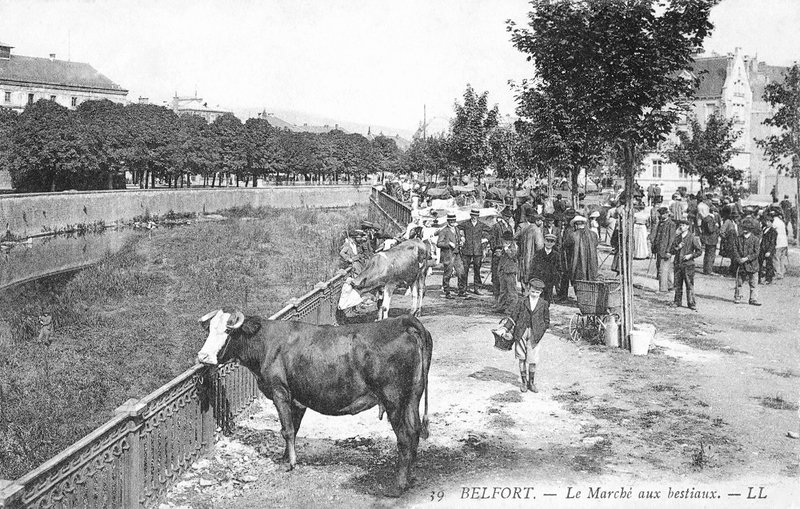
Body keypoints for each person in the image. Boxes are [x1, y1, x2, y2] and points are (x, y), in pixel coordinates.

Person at [510, 278, 550, 393]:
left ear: (541, 293)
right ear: (528, 289)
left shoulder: (543, 304)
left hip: (535, 334)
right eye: (532, 292)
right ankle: (523, 382)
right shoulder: (522, 301)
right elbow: (513, 316)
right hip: (521, 331)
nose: (534, 294)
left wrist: (541, 331)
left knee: (533, 360)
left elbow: (546, 320)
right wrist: (505, 328)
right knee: (521, 357)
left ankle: (531, 382)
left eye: (537, 293)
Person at [670, 219, 702, 310]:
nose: (681, 227)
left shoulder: (692, 237)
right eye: (680, 225)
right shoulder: (677, 238)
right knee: (677, 284)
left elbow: (699, 251)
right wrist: (677, 247)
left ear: (687, 227)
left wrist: (690, 256)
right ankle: (677, 301)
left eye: (683, 225)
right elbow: (671, 250)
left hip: (688, 264)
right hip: (678, 264)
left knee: (689, 284)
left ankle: (691, 303)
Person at [563, 215, 599, 291]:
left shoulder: (572, 235)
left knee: (578, 279)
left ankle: (580, 297)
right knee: (591, 278)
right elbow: (596, 244)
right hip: (592, 262)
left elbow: (565, 245)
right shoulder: (593, 234)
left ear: (576, 225)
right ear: (584, 224)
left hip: (577, 263)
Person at [458, 209, 489, 295]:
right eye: (473, 215)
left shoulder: (481, 225)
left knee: (477, 270)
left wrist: (485, 239)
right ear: (470, 215)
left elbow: (491, 232)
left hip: (477, 250)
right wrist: (461, 237)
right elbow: (456, 228)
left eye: (476, 216)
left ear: (478, 216)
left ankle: (477, 288)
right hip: (467, 250)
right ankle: (462, 289)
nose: (474, 217)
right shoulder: (466, 224)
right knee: (464, 270)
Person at [733, 218, 762, 306]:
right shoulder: (738, 239)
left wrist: (747, 258)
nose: (745, 229)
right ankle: (738, 297)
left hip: (752, 265)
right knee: (739, 282)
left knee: (753, 283)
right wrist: (739, 259)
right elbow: (734, 250)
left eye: (747, 228)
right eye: (743, 227)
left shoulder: (755, 239)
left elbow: (756, 253)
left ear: (750, 229)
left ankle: (753, 299)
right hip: (741, 265)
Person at [516, 212, 545, 291]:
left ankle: (524, 290)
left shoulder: (525, 228)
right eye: (540, 221)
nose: (541, 223)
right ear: (537, 221)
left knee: (524, 272)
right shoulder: (536, 230)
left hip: (524, 256)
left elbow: (517, 239)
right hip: (533, 257)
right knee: (532, 274)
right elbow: (540, 246)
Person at [489, 209, 513, 302]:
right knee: (496, 275)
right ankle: (496, 299)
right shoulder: (496, 226)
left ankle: (504, 300)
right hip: (498, 254)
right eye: (506, 216)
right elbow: (491, 239)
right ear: (502, 216)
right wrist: (495, 249)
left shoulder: (510, 227)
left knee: (505, 276)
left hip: (506, 255)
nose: (508, 218)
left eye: (509, 217)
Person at [492, 231, 519, 314]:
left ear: (509, 240)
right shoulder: (505, 246)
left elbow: (512, 255)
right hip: (503, 271)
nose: (503, 242)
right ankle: (501, 306)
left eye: (505, 240)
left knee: (512, 291)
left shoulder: (514, 246)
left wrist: (506, 249)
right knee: (503, 290)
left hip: (510, 272)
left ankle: (512, 308)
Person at [437, 213, 462, 299]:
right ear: (448, 221)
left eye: (453, 221)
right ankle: (447, 292)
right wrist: (449, 244)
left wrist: (461, 241)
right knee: (448, 273)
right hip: (448, 255)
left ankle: (461, 291)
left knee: (461, 272)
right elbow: (439, 243)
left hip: (457, 253)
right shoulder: (444, 231)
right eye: (451, 221)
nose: (452, 222)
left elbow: (458, 239)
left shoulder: (457, 229)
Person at [651, 207, 676, 292]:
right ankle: (669, 285)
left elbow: (672, 239)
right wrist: (654, 247)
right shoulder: (660, 223)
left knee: (662, 270)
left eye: (662, 214)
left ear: (666, 214)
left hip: (666, 250)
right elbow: (656, 237)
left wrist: (669, 251)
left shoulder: (671, 224)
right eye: (660, 214)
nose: (661, 216)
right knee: (665, 269)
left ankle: (663, 289)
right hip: (659, 249)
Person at [531, 233, 560, 302]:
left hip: (549, 281)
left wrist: (555, 279)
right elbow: (534, 266)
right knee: (538, 298)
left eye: (551, 241)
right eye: (547, 241)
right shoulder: (538, 253)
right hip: (539, 279)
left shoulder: (556, 255)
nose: (549, 243)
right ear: (544, 241)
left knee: (547, 299)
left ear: (554, 243)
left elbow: (558, 268)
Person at [699, 205, 720, 275]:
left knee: (707, 255)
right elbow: (711, 229)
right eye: (716, 212)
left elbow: (702, 228)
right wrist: (716, 226)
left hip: (707, 239)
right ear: (713, 212)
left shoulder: (705, 218)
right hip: (711, 240)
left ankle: (706, 270)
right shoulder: (710, 219)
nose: (717, 214)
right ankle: (709, 270)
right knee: (711, 255)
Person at [719, 208, 740, 276]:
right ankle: (732, 271)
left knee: (736, 256)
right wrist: (726, 239)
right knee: (733, 256)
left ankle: (734, 270)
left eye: (737, 217)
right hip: (730, 242)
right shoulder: (728, 222)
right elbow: (721, 232)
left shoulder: (737, 223)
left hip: (737, 242)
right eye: (735, 217)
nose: (736, 218)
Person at [759, 213, 777, 285]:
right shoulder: (764, 229)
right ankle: (759, 278)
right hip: (762, 249)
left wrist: (769, 251)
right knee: (760, 263)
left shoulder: (773, 231)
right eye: (766, 221)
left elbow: (773, 243)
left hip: (768, 250)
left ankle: (769, 279)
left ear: (771, 223)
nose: (767, 223)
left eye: (768, 222)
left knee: (769, 265)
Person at [772, 211, 789, 280]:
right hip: (784, 242)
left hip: (778, 243)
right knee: (782, 258)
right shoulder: (781, 222)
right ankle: (782, 272)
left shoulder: (774, 222)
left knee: (776, 258)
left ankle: (778, 273)